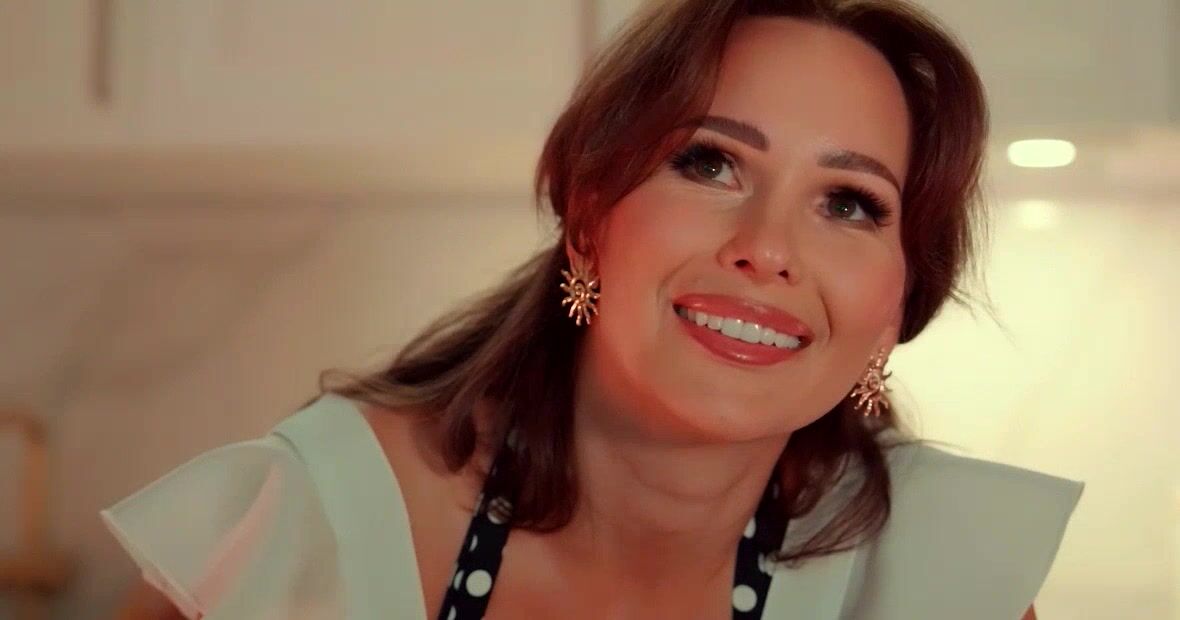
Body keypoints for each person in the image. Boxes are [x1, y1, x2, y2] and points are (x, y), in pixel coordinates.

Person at [102, 0, 1083, 618]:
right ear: (586, 217)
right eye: (709, 162)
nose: (769, 247)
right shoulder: (303, 532)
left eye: (851, 203)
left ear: (897, 304)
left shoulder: (940, 576)